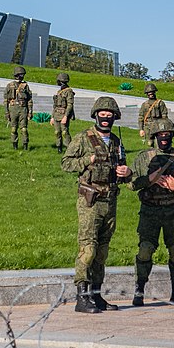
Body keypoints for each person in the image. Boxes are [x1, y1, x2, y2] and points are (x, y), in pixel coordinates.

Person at [62, 96, 131, 313]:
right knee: (88, 248)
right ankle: (81, 297)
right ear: (96, 115)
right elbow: (66, 163)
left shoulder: (118, 143)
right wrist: (87, 160)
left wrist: (126, 172)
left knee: (102, 251)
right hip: (89, 200)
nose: (106, 118)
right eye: (102, 114)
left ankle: (96, 294)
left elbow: (122, 169)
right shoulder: (84, 138)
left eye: (110, 115)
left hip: (110, 200)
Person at [129, 118, 174, 306]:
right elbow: (131, 183)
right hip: (150, 211)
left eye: (167, 135)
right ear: (155, 136)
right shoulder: (144, 157)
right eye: (160, 135)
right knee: (145, 250)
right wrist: (149, 179)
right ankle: (139, 289)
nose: (164, 138)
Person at [4, 66, 33, 150]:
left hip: (23, 109)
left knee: (24, 129)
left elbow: (29, 100)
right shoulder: (10, 86)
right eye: (21, 74)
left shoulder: (25, 86)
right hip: (13, 109)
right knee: (13, 129)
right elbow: (6, 100)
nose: (22, 76)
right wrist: (6, 112)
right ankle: (15, 145)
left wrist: (30, 111)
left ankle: (25, 145)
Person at [51, 72, 75, 153]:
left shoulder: (69, 91)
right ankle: (59, 148)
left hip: (64, 115)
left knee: (64, 132)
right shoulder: (59, 92)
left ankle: (69, 149)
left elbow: (70, 105)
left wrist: (66, 116)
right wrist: (52, 117)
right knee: (57, 132)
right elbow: (55, 106)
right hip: (56, 114)